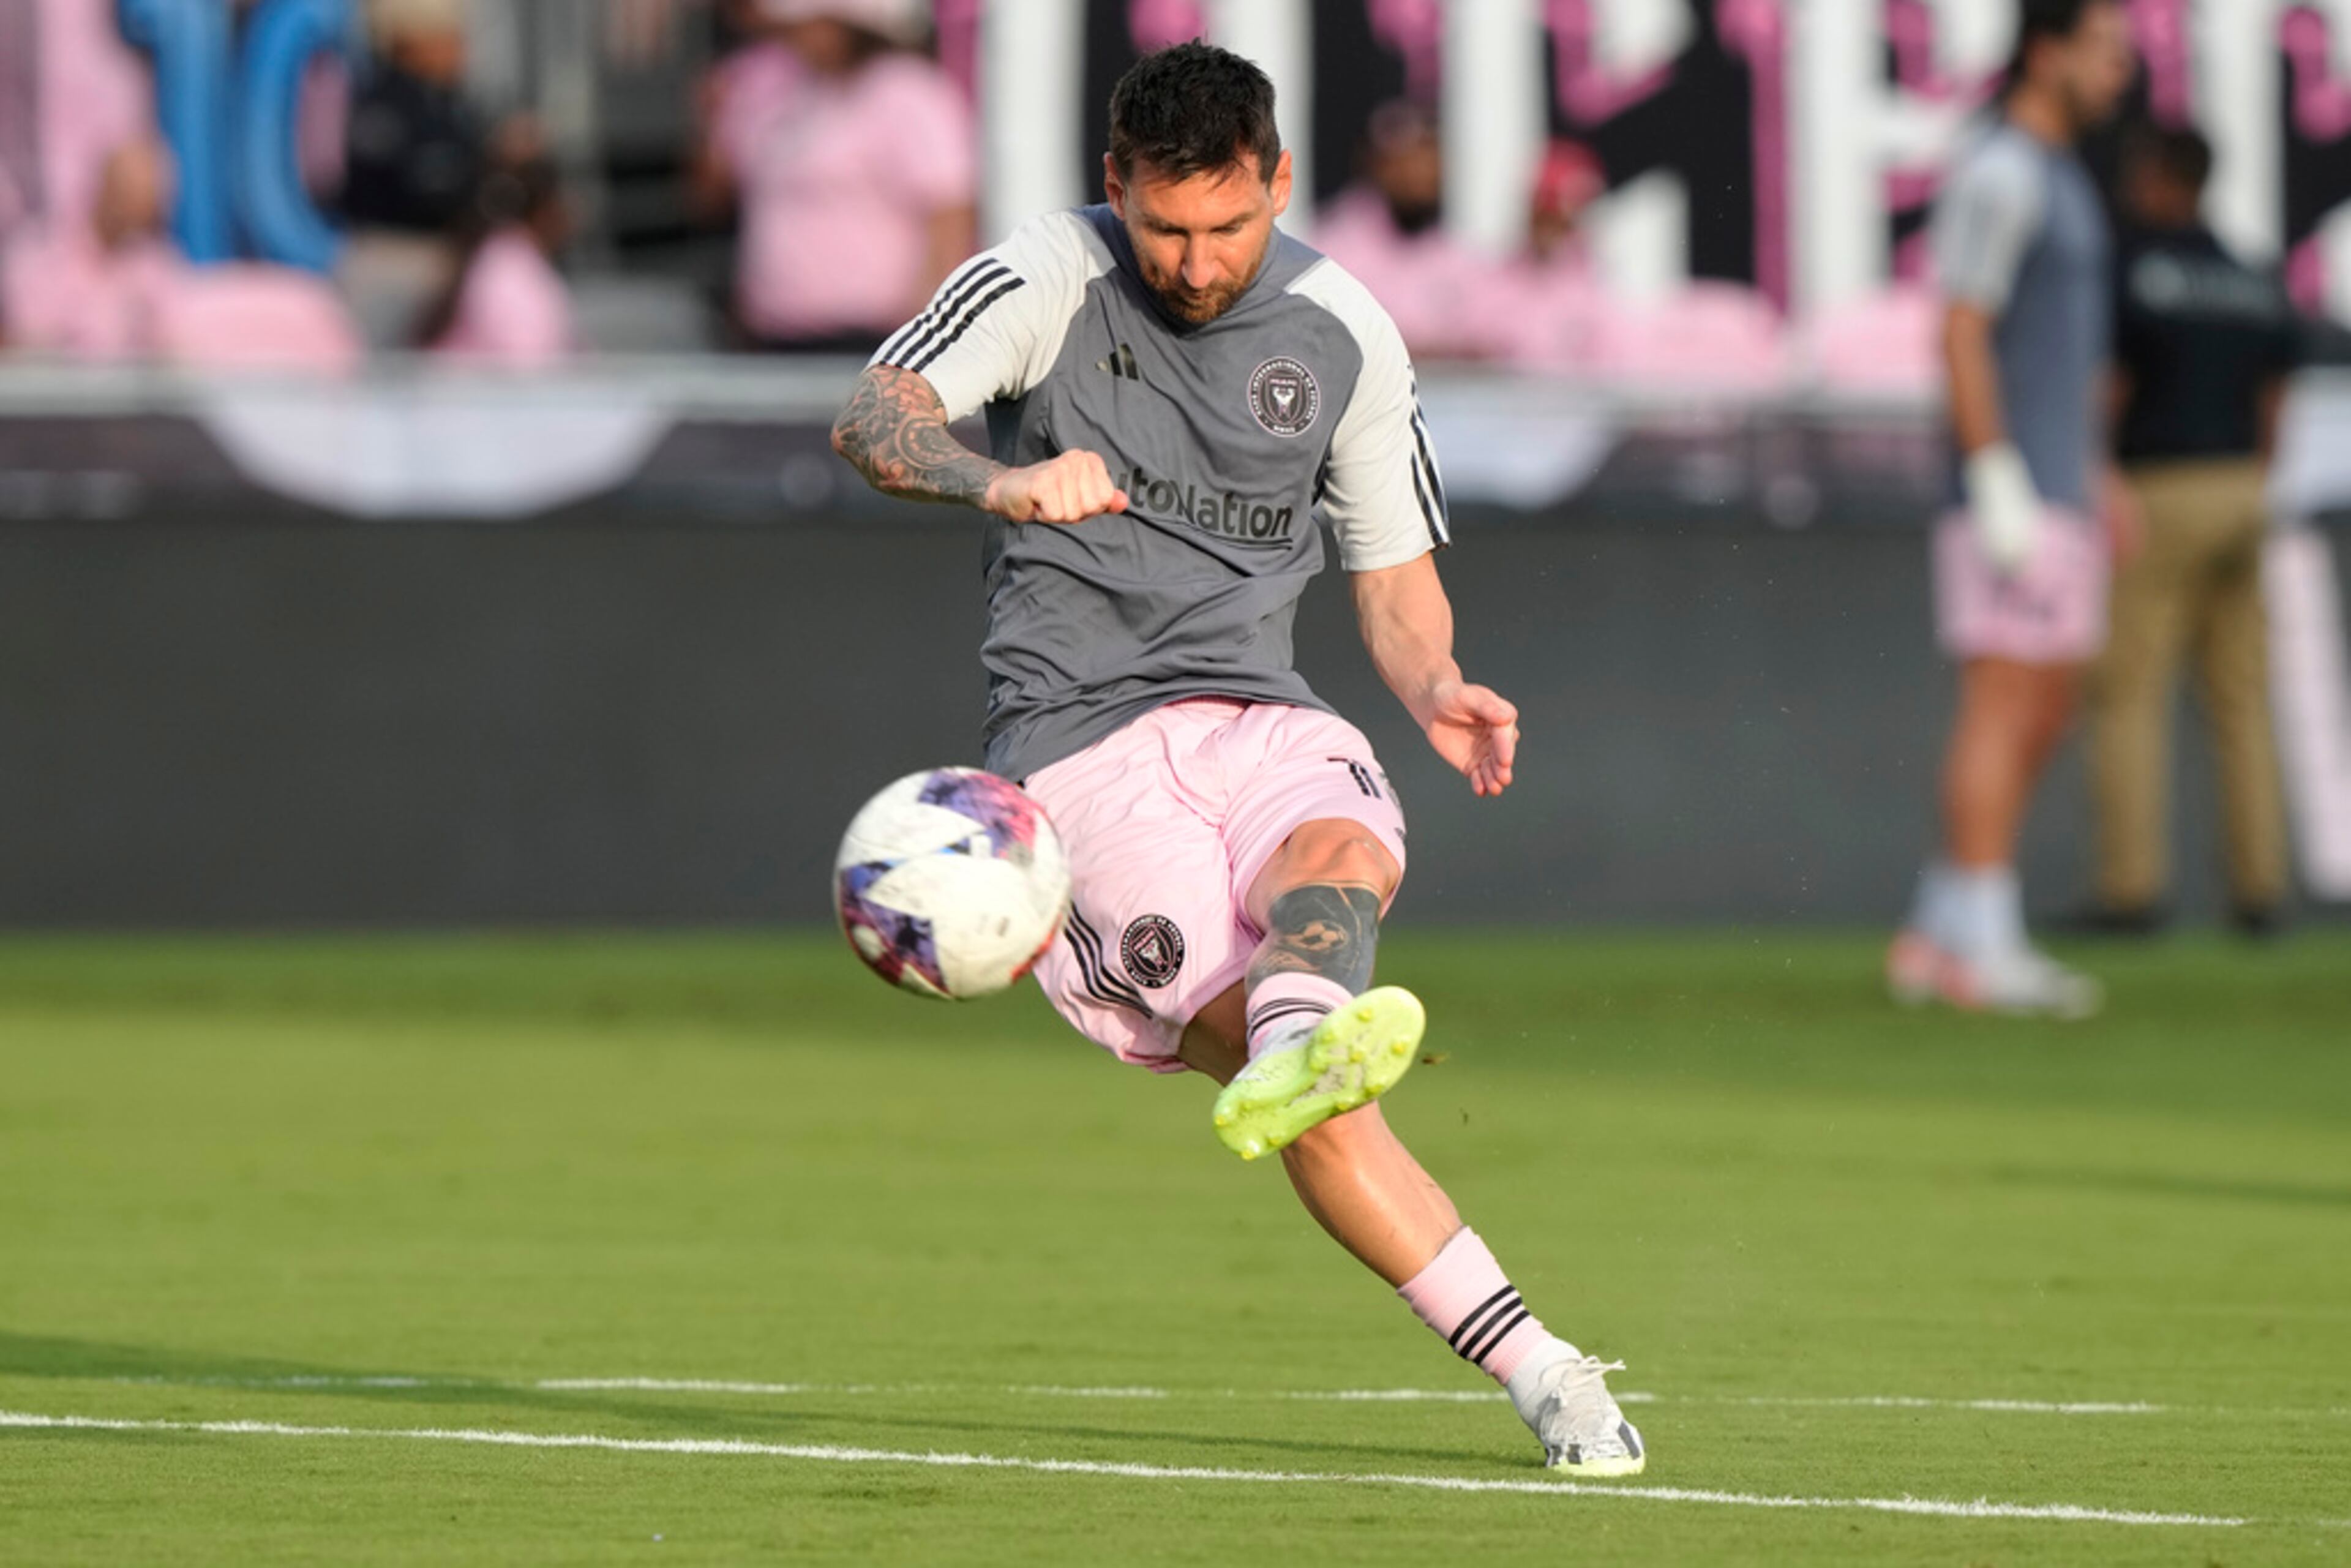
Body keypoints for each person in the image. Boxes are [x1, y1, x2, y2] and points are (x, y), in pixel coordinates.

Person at [829, 43, 1644, 1475]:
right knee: (1332, 1109)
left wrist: (1437, 679)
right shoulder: (1045, 278)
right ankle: (1543, 1368)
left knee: (1340, 859)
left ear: (1277, 181)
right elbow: (870, 415)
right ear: (1113, 188)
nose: (1195, 261)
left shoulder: (1344, 329)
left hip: (1257, 705)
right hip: (1079, 757)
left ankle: (1293, 1037)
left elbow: (1391, 581)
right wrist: (997, 473)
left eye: (1226, 225)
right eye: (1163, 226)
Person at [1888, 0, 2135, 1018]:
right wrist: (1995, 475)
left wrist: (2097, 474)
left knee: (2048, 701)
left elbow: (2061, 355)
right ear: (2048, 51)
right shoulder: (2000, 172)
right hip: (2011, 490)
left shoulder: (2062, 172)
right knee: (2003, 697)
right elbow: (1959, 327)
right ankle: (1982, 948)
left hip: (2059, 484)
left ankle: (1942, 927)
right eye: (2105, 51)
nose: (2120, 71)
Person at [2086, 125, 2299, 934]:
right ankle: (2260, 891)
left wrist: (2096, 473)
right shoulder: (2252, 274)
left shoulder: (2136, 268)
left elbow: (2111, 384)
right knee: (2243, 699)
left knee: (2129, 692)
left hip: (2158, 487)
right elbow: (2276, 397)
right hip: (2244, 485)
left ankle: (2131, 890)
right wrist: (2256, 480)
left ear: (2160, 177)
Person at [697, 0, 975, 352]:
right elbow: (712, 196)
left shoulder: (907, 91)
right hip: (773, 330)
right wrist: (709, 121)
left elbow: (949, 214)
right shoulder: (767, 84)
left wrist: (925, 337)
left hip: (875, 335)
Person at [1310, 99, 1495, 362]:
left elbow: (1489, 345)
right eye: (1408, 161)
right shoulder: (1335, 245)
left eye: (1429, 160)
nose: (1420, 175)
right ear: (1378, 164)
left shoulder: (1458, 255)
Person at [421, 146, 577, 367]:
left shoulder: (509, 258)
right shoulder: (507, 271)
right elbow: (527, 365)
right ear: (545, 211)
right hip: (475, 395)